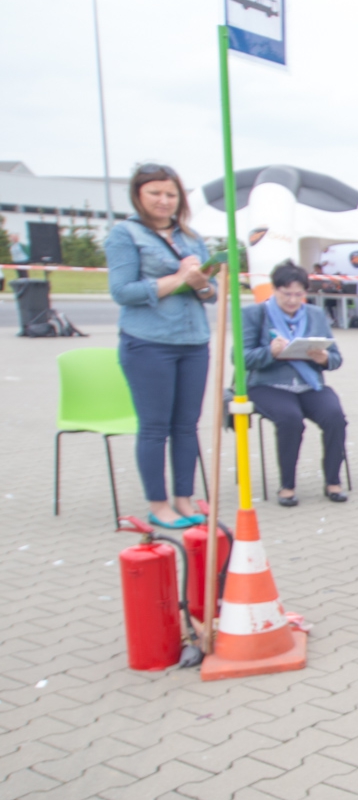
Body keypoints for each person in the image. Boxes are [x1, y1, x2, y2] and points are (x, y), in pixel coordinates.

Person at [106, 164, 217, 529]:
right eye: (155, 193)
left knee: (187, 426)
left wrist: (201, 282)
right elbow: (123, 292)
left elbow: (209, 295)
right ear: (139, 195)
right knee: (155, 427)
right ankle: (158, 503)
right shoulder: (126, 234)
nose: (164, 200)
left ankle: (184, 498)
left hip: (194, 341)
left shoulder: (191, 236)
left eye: (171, 194)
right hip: (149, 344)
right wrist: (178, 278)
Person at [242, 262, 347, 506]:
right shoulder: (255, 314)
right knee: (290, 419)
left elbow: (336, 358)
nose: (292, 300)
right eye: (286, 294)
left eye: (298, 294)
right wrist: (270, 352)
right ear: (274, 290)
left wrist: (324, 359)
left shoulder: (315, 315)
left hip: (309, 383)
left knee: (334, 416)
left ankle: (333, 480)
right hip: (268, 384)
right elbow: (241, 358)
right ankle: (287, 485)